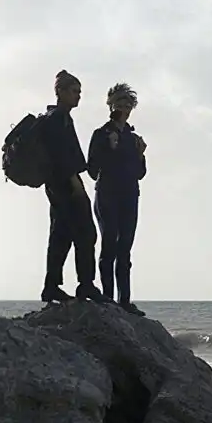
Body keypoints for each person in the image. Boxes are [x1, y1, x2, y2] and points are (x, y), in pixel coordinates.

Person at [40, 70, 108, 303]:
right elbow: (60, 156)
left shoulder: (61, 117)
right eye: (73, 91)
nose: (78, 96)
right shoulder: (57, 119)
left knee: (61, 235)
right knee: (85, 233)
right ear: (60, 92)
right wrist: (74, 183)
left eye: (79, 92)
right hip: (64, 185)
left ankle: (53, 286)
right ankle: (84, 284)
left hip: (58, 185)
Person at [87, 82, 147, 316]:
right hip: (107, 194)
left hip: (130, 195)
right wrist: (109, 147)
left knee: (125, 249)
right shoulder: (101, 134)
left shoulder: (133, 138)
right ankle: (107, 298)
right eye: (120, 103)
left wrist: (140, 155)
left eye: (128, 104)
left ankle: (125, 301)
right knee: (109, 244)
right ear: (110, 105)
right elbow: (92, 170)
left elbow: (140, 173)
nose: (124, 108)